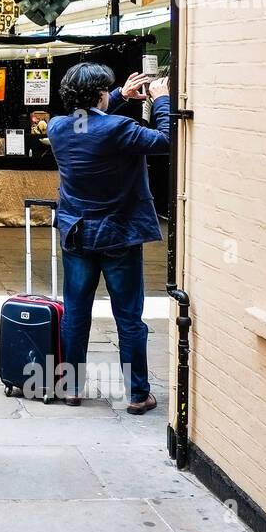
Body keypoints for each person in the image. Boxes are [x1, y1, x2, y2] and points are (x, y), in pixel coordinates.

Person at [46, 63, 171, 415]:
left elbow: (91, 124)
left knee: (75, 313)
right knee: (129, 318)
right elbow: (165, 140)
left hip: (76, 233)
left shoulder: (59, 127)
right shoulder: (120, 129)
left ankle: (71, 388)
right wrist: (161, 100)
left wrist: (118, 96)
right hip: (118, 234)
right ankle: (137, 394)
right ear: (100, 93)